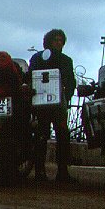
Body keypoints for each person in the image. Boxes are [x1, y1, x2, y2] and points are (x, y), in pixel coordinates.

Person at [29, 29, 77, 182]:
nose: (59, 42)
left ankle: (59, 172)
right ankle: (43, 172)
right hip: (50, 105)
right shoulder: (64, 60)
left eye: (61, 40)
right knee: (47, 136)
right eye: (56, 40)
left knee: (56, 136)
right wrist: (66, 98)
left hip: (49, 104)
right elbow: (70, 83)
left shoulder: (38, 58)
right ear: (48, 41)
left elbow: (70, 82)